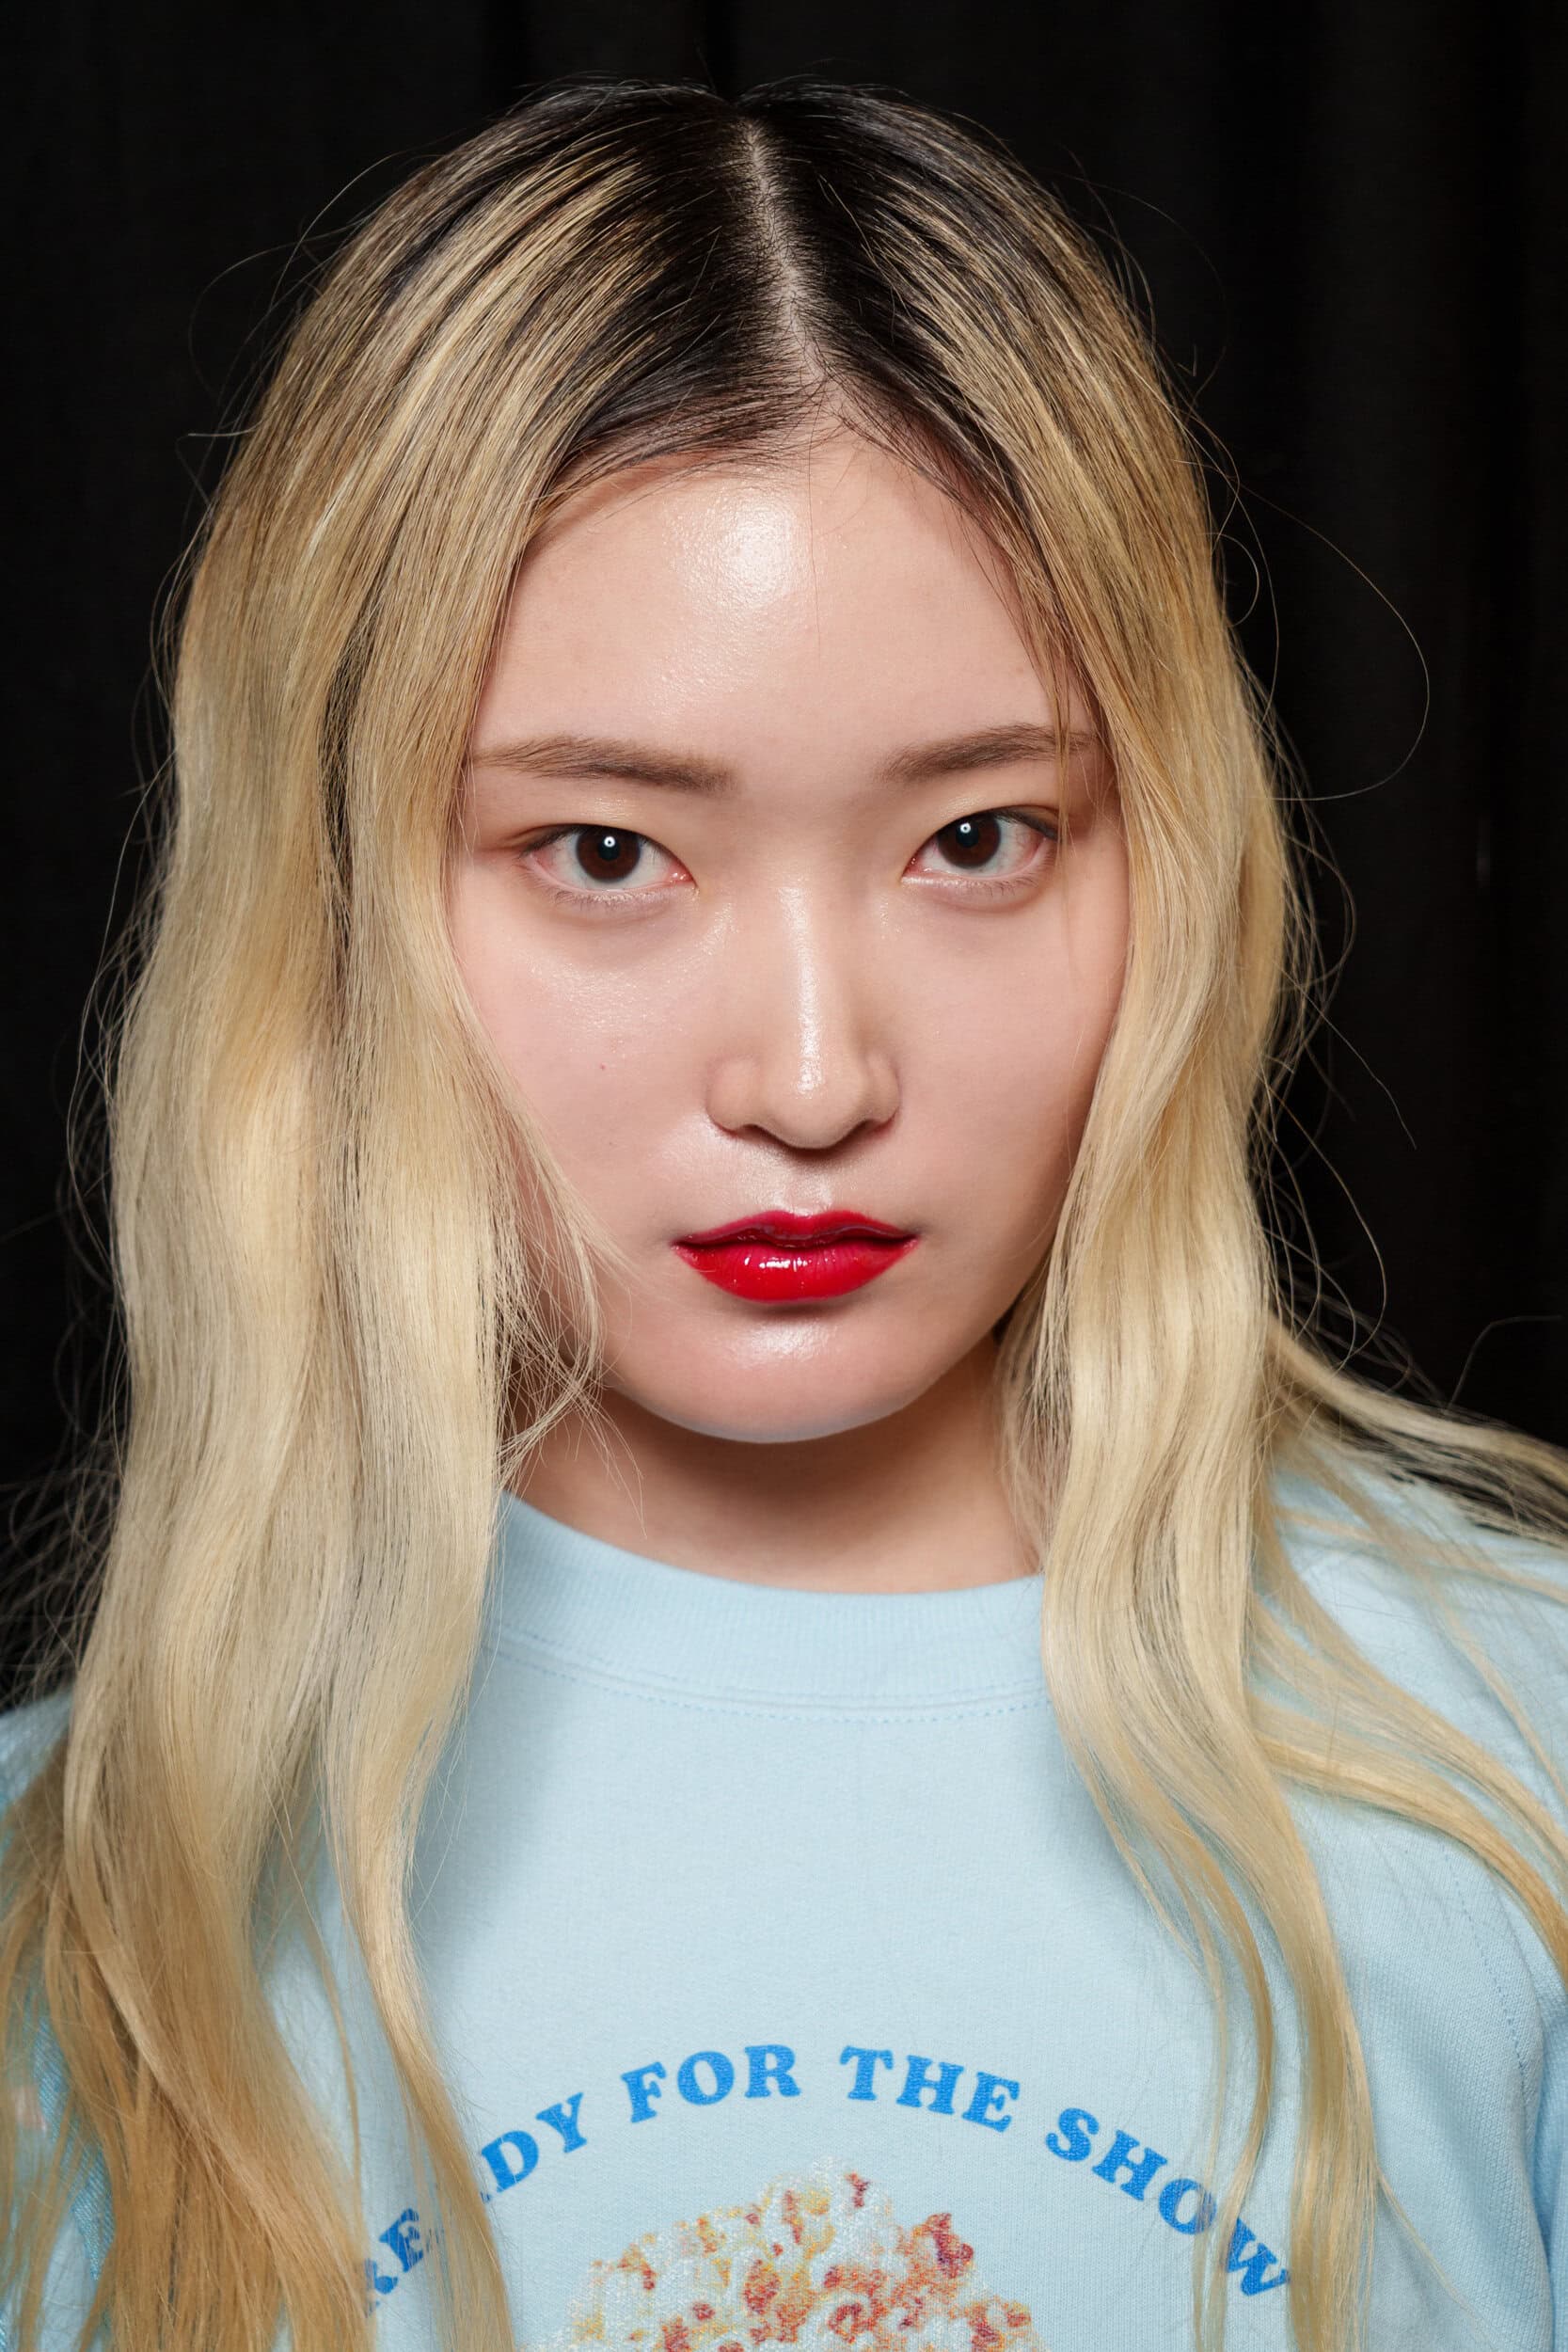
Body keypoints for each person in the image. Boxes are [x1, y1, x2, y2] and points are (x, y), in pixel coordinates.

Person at [2, 72, 1566, 2352]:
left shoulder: (1525, 1768)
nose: (816, 1079)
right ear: (326, 907)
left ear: (1177, 859)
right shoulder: (71, 1916)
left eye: (978, 839)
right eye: (606, 853)